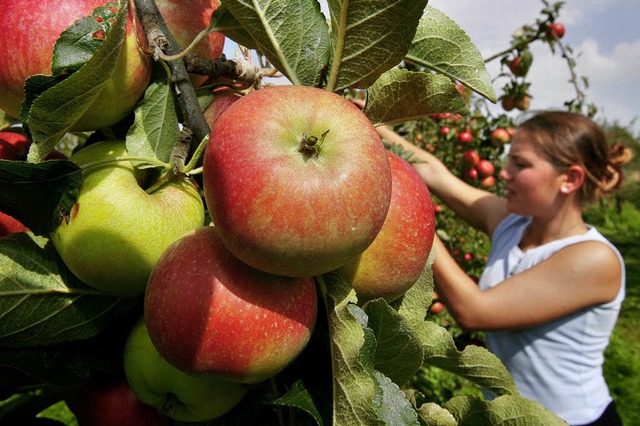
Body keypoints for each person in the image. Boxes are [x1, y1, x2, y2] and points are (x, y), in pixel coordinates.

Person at [375, 110, 630, 426]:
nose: (504, 172)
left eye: (520, 165)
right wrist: (374, 128)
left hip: (573, 421)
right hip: (507, 418)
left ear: (570, 179)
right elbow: (437, 175)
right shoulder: (513, 225)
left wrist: (411, 218)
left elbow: (474, 311)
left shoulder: (594, 259)